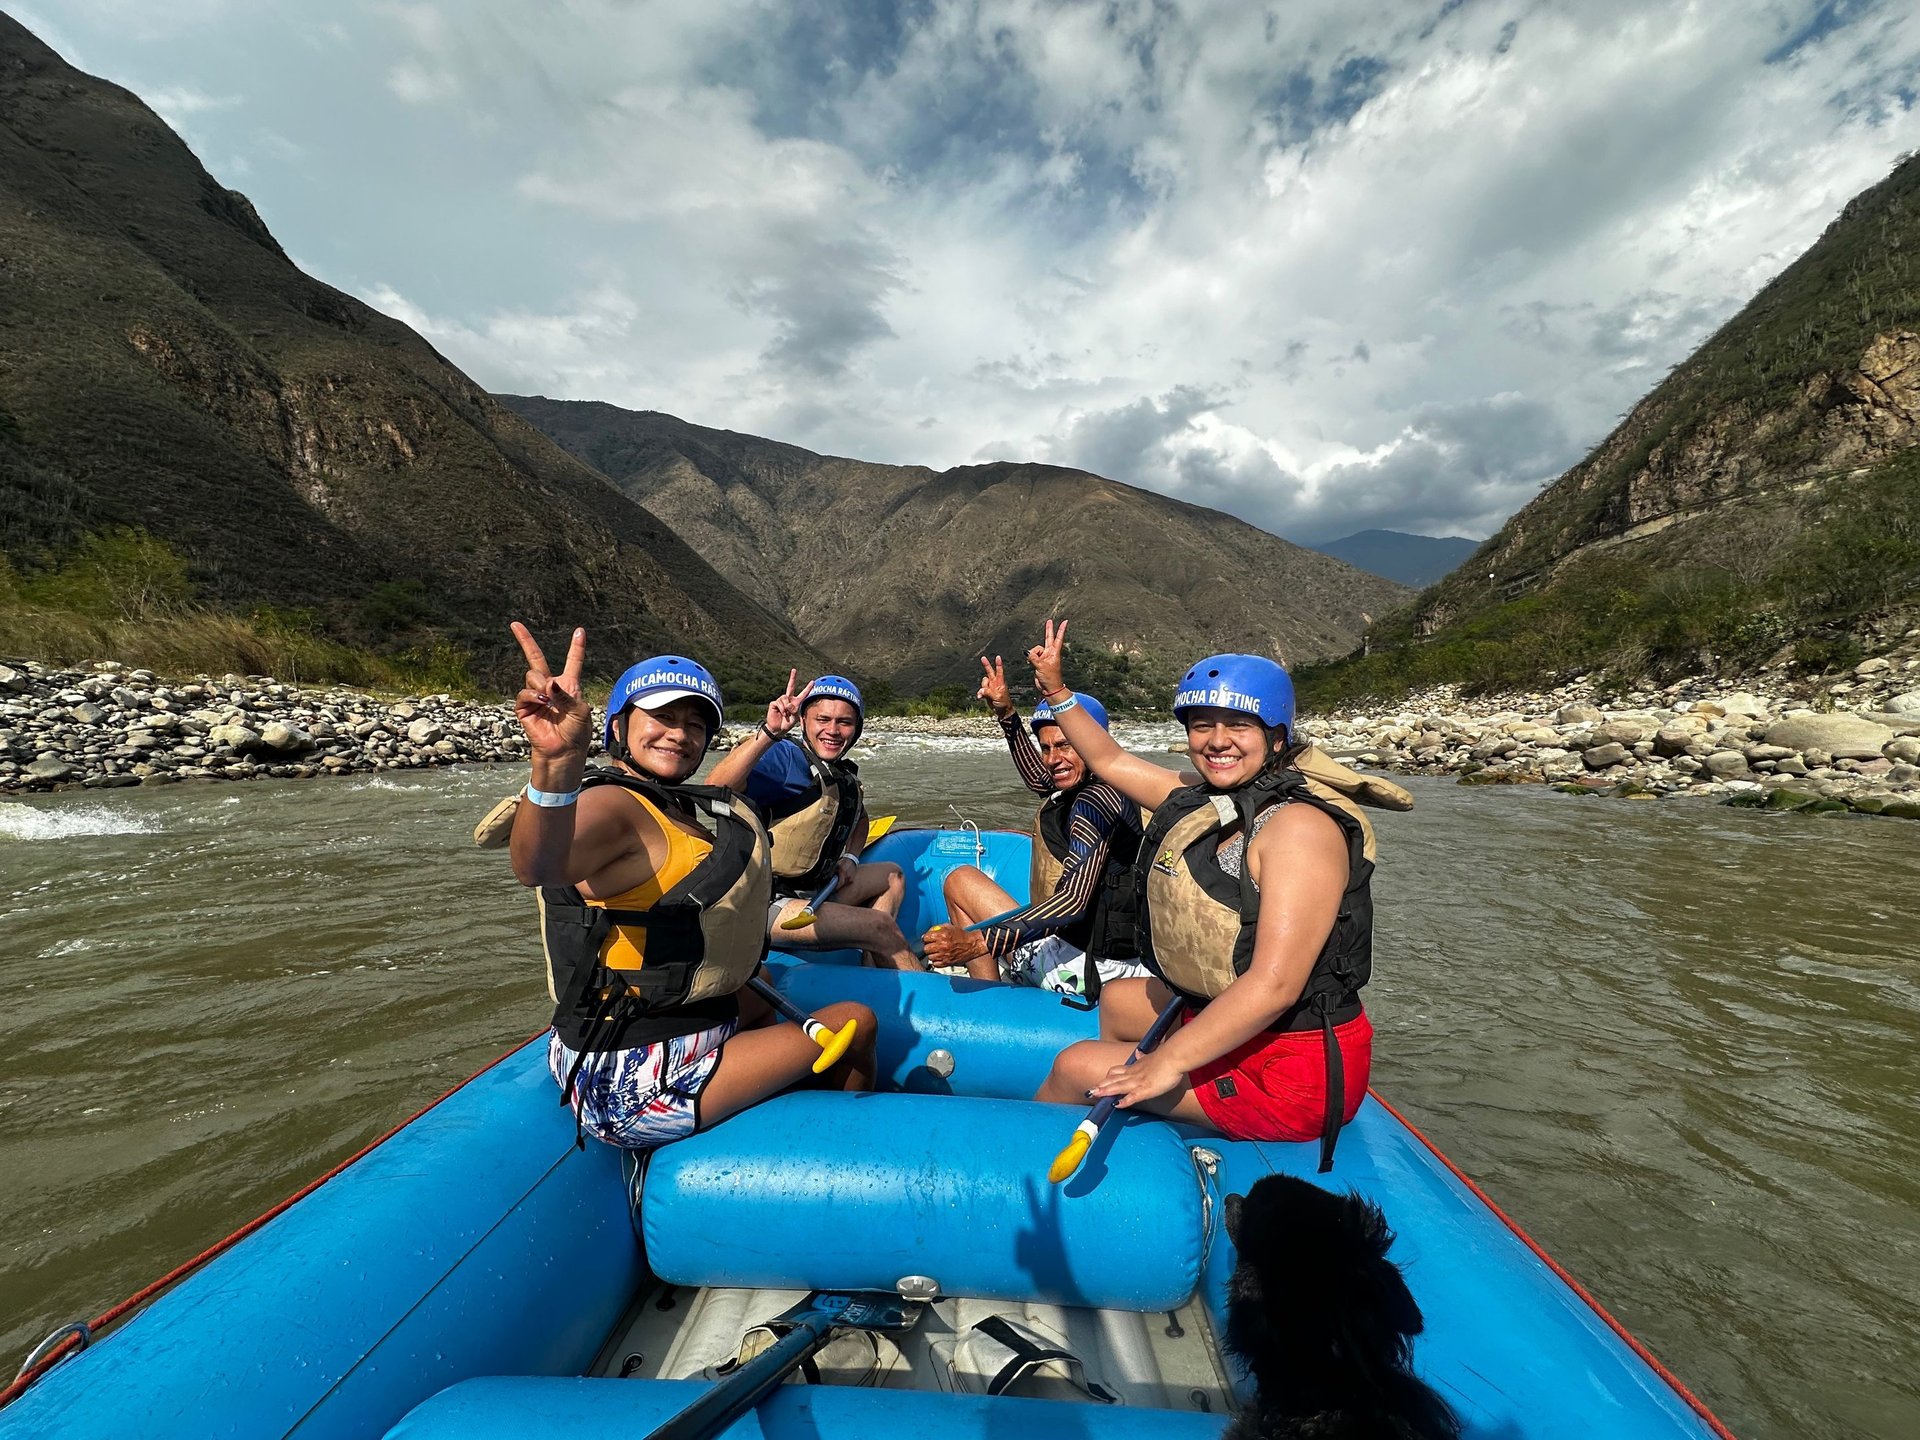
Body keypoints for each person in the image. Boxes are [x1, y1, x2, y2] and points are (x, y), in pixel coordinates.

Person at [1025, 620, 1383, 1170]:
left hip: (1291, 1068)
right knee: (1121, 1000)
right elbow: (1111, 762)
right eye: (1202, 724)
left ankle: (1017, 1164)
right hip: (1236, 1023)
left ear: (1279, 736)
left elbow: (1275, 985)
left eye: (1239, 724)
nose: (1217, 740)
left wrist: (1164, 1063)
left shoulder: (1299, 830)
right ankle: (1134, 1112)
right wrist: (1057, 693)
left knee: (1076, 1065)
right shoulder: (1207, 802)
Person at [505, 624, 875, 1151]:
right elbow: (539, 864)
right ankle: (843, 1150)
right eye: (661, 717)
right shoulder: (610, 806)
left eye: (695, 723)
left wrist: (768, 733)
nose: (679, 733)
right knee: (857, 1023)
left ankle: (760, 1100)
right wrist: (555, 762)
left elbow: (721, 791)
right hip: (634, 1079)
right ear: (617, 727)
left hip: (640, 1032)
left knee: (759, 975)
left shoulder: (667, 801)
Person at [920, 656, 1152, 1000]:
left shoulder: (1095, 803)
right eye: (1046, 747)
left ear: (1092, 742)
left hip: (1091, 971)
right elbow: (1041, 779)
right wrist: (1007, 714)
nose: (1051, 758)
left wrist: (976, 943)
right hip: (1100, 955)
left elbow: (1072, 902)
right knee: (961, 878)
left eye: (1064, 745)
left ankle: (988, 1002)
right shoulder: (1108, 784)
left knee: (958, 884)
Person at [707, 672, 922, 971]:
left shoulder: (840, 775)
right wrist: (770, 732)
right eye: (823, 719)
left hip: (814, 892)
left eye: (844, 722)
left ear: (855, 729)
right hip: (763, 905)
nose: (832, 730)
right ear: (804, 721)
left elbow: (860, 819)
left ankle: (872, 967)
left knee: (893, 875)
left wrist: (850, 857)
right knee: (879, 926)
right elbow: (715, 787)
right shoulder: (784, 758)